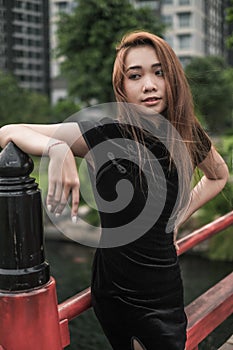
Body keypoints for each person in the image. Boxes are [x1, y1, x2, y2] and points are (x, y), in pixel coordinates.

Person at [0, 31, 229, 350]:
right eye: (135, 76)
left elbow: (219, 176)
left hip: (167, 290)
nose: (149, 84)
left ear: (172, 78)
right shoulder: (106, 134)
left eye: (159, 72)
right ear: (122, 87)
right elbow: (8, 131)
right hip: (121, 291)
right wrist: (57, 149)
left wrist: (176, 217)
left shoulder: (185, 134)